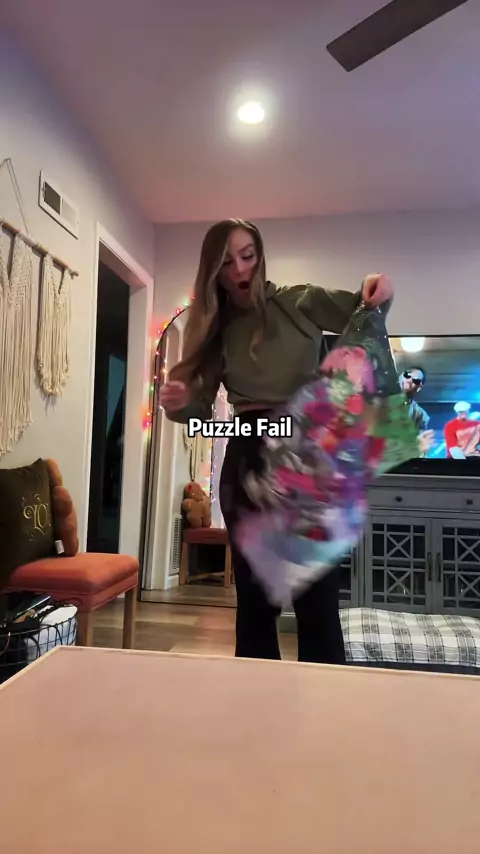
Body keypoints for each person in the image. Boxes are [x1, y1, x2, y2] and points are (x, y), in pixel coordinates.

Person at [160, 218, 393, 664]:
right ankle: (257, 702)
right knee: (255, 601)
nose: (240, 269)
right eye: (226, 262)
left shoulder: (298, 300)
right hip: (248, 454)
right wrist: (181, 402)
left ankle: (324, 704)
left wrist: (377, 289)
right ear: (213, 272)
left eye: (247, 255)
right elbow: (198, 414)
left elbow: (365, 311)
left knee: (317, 600)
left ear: (260, 256)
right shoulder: (217, 329)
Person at [399, 367, 430, 431]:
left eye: (415, 380)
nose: (409, 380)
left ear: (419, 387)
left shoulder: (420, 414)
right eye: (407, 375)